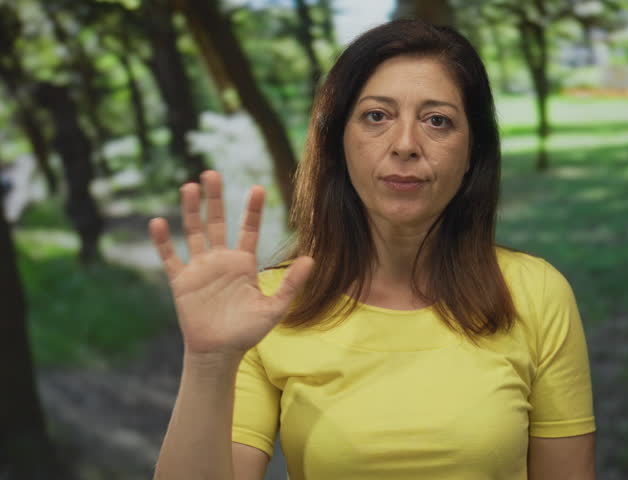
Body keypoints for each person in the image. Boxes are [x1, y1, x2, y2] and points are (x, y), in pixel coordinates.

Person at [149, 19, 595, 480]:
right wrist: (208, 363)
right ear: (339, 141)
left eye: (437, 121)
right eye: (377, 116)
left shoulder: (536, 293)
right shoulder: (267, 307)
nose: (405, 145)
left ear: (472, 153)